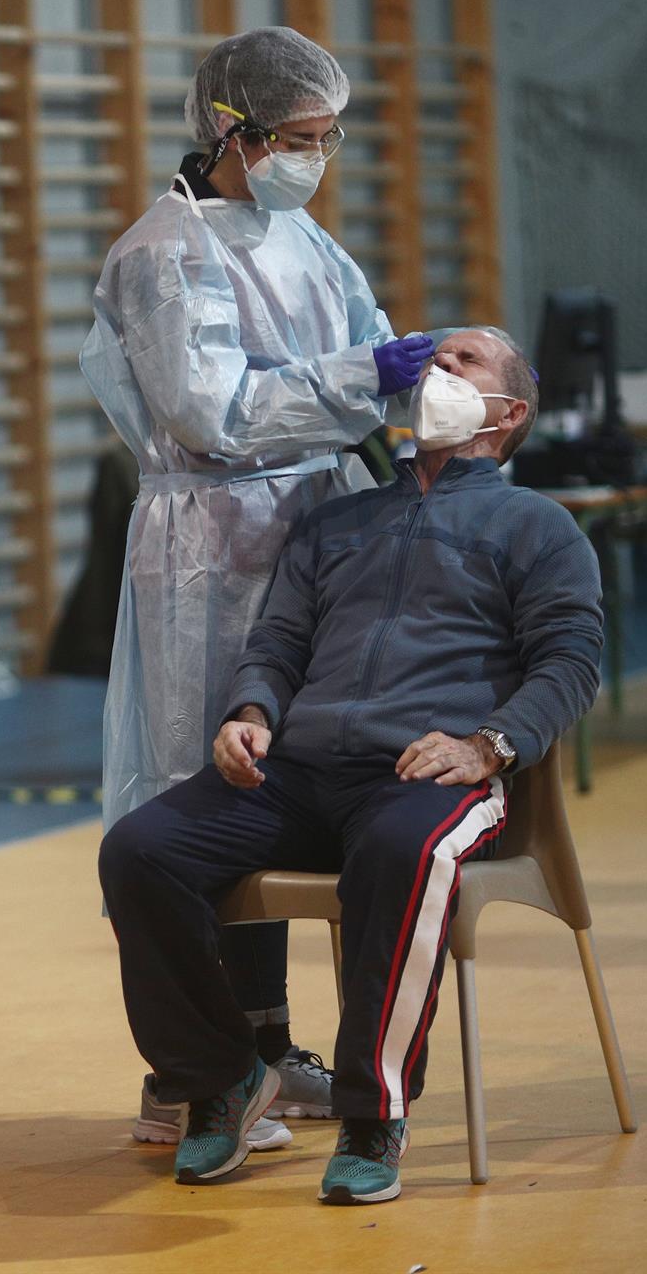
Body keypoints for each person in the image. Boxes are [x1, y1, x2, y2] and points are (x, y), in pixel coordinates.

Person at [97, 329, 602, 1204]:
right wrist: (250, 713)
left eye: (465, 362)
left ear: (509, 412)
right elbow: (280, 642)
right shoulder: (338, 519)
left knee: (402, 855)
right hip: (297, 773)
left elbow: (572, 659)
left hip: (426, 778)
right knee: (139, 852)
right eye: (434, 357)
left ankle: (374, 1116)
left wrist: (486, 747)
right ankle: (222, 1078)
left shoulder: (537, 526)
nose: (438, 369)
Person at [80, 25, 436, 1141]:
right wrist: (363, 382)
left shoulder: (308, 243)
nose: (315, 158)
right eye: (298, 137)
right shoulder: (166, 254)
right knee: (210, 785)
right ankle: (193, 1070)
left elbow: (374, 356)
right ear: (232, 130)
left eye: (330, 138)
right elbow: (216, 413)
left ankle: (270, 1042)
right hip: (213, 548)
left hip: (314, 531)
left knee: (280, 781)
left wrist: (431, 391)